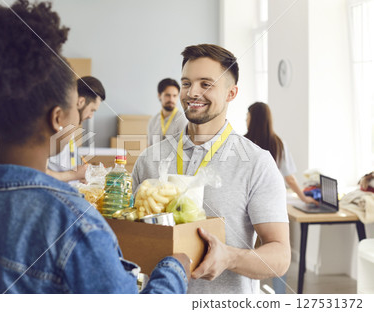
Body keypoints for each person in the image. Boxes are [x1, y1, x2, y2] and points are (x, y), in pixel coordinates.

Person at [0, 0, 190, 294]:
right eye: (75, 112)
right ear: (57, 118)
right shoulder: (74, 222)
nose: (80, 118)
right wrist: (175, 268)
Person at [132, 44, 291, 294]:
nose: (192, 92)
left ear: (231, 93)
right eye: (186, 83)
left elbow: (280, 255)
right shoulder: (149, 159)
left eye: (206, 84)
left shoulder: (257, 163)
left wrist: (230, 257)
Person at [245, 102, 319, 206]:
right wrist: (303, 198)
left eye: (247, 117)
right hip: (272, 199)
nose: (246, 121)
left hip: (247, 198)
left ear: (254, 120)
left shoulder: (243, 143)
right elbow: (290, 179)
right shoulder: (278, 144)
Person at [46, 76, 106, 182]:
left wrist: (82, 174)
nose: (91, 116)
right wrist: (74, 175)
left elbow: (68, 169)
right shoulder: (55, 126)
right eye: (92, 110)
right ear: (81, 102)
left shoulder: (71, 128)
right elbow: (40, 173)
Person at [147, 78, 188, 146]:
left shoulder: (182, 120)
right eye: (167, 95)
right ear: (159, 96)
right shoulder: (153, 121)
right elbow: (149, 148)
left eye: (174, 96)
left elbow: (185, 148)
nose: (171, 99)